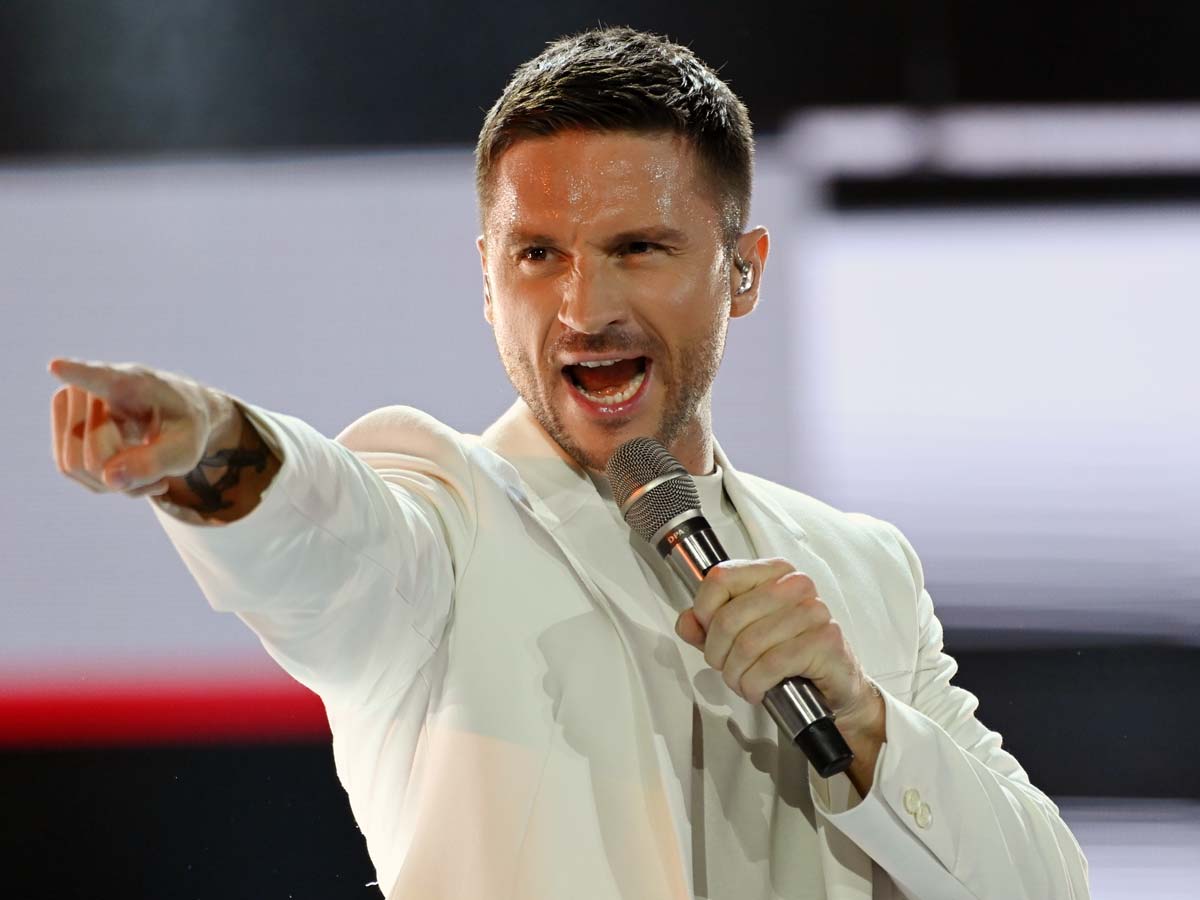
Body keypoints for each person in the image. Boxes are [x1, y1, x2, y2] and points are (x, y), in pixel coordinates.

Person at [47, 25, 1089, 900]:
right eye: (538, 255)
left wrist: (864, 723)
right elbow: (322, 534)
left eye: (639, 248)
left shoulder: (862, 568)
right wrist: (211, 443)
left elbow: (1044, 886)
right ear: (486, 279)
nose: (584, 310)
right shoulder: (443, 518)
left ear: (743, 271)